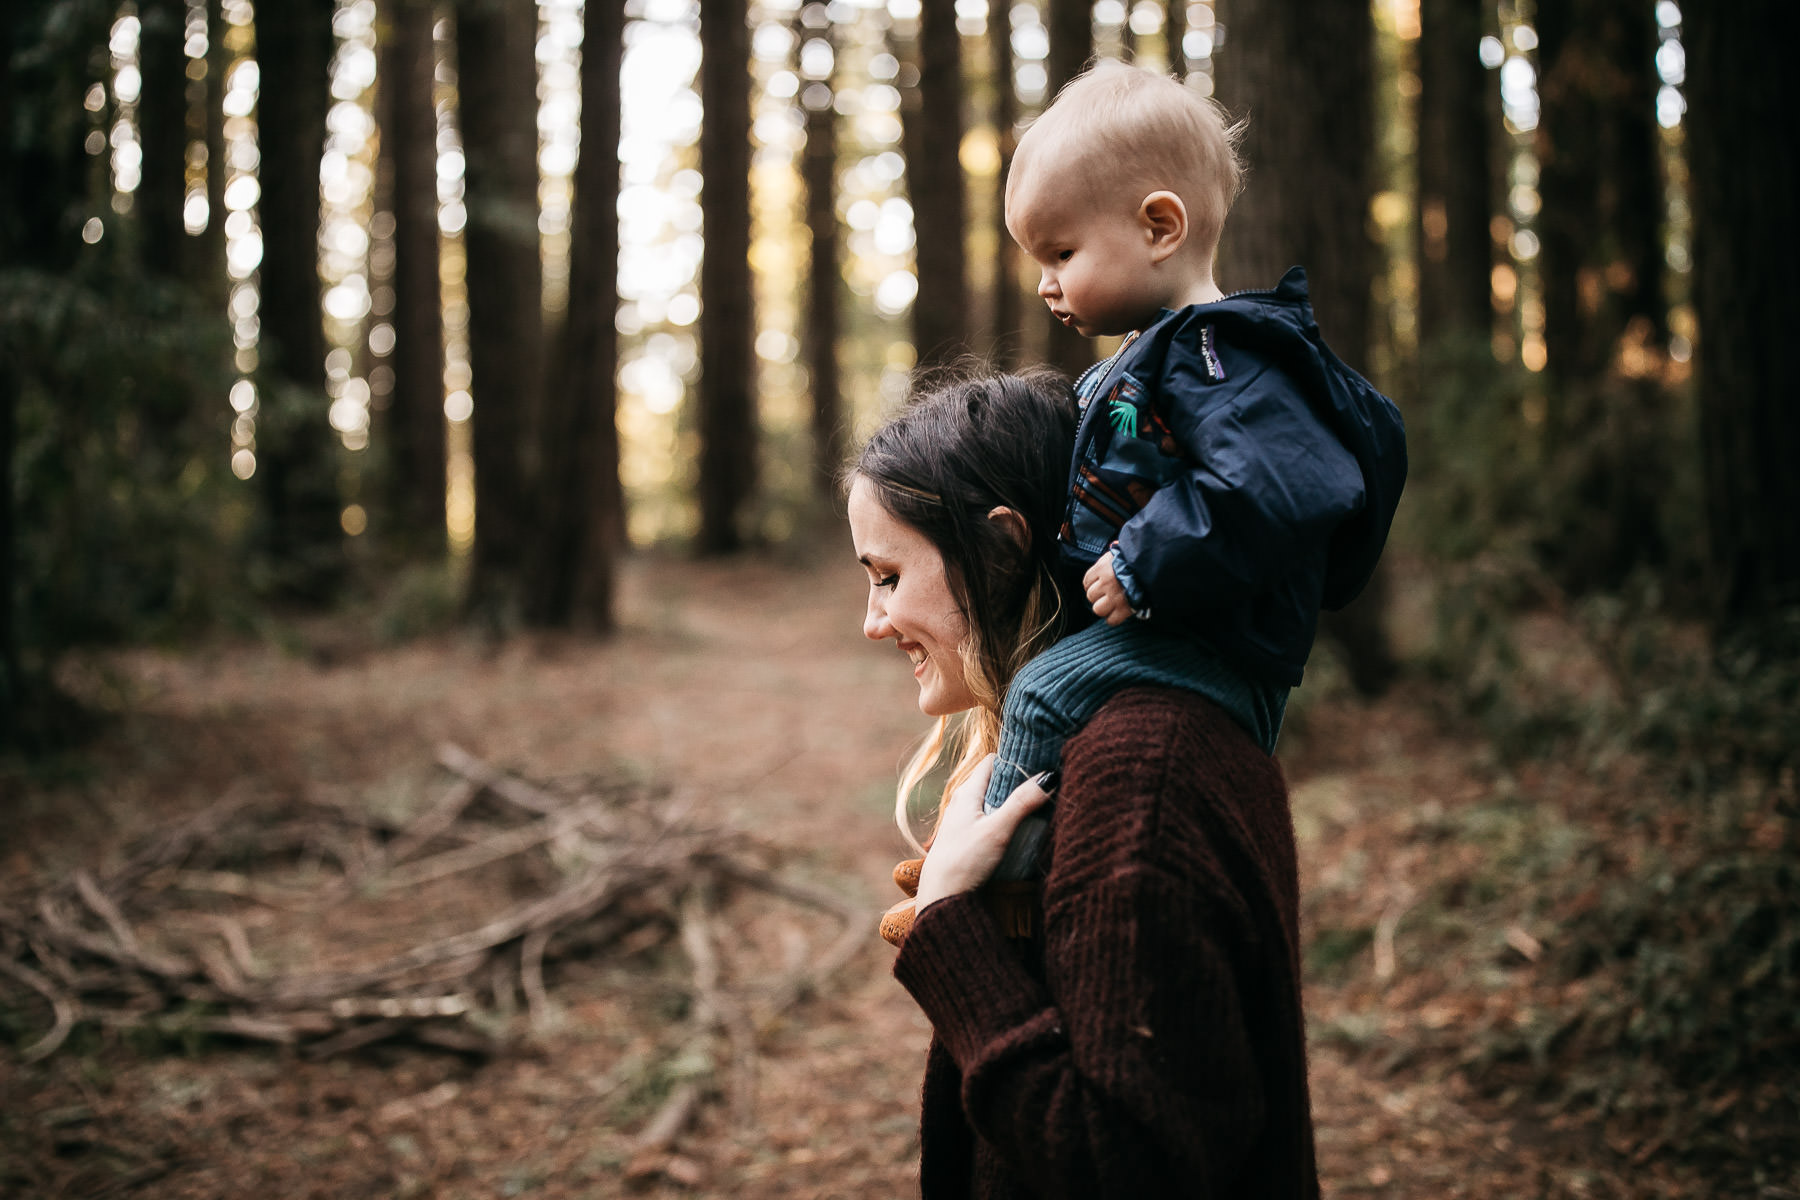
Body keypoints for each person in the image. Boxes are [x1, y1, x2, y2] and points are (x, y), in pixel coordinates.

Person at [848, 370, 1320, 1197]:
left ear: (1000, 548)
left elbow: (1125, 1165)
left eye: (888, 576)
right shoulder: (1102, 750)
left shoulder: (1139, 777)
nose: (872, 620)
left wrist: (952, 928)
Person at [979, 60, 1409, 872]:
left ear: (1159, 227)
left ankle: (994, 883)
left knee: (1040, 696)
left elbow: (1290, 483)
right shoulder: (1156, 358)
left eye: (1062, 251)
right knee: (1038, 679)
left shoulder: (1222, 357)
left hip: (1217, 648)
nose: (1045, 284)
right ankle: (1030, 848)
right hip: (1176, 629)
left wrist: (1142, 563)